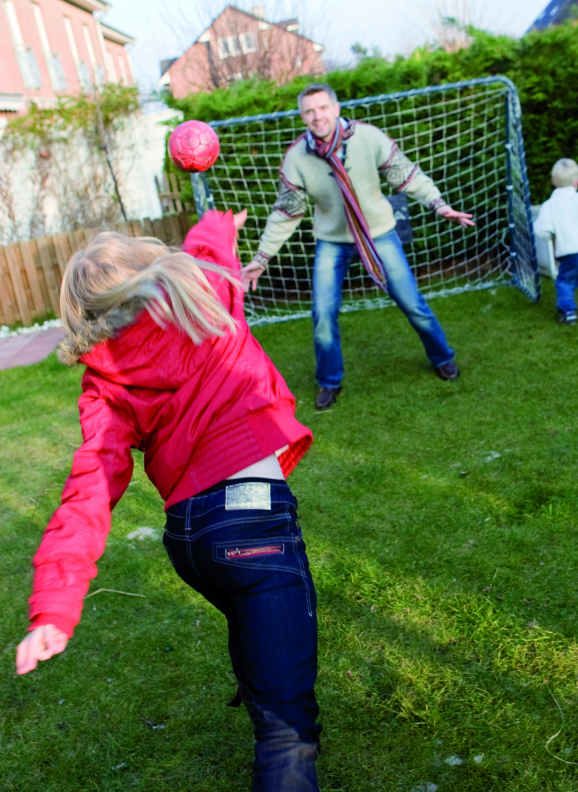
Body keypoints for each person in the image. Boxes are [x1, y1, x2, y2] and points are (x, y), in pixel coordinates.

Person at [15, 210, 321, 792]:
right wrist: (220, 219)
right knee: (287, 733)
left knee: (247, 608)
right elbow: (208, 247)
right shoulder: (205, 296)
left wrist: (54, 607)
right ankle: (274, 715)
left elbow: (89, 489)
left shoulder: (103, 381)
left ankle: (262, 682)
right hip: (252, 527)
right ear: (153, 268)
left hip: (192, 539)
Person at [242, 83, 475, 410]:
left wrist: (438, 204)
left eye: (323, 108)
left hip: (379, 233)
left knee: (412, 303)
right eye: (309, 111)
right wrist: (261, 258)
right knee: (322, 313)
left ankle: (442, 357)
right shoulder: (297, 157)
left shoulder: (367, 137)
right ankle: (329, 382)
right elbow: (286, 212)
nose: (317, 116)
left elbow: (406, 175)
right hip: (332, 242)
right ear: (302, 117)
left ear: (335, 109)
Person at [533, 158, 578, 325]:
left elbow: (541, 230)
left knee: (565, 281)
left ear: (553, 181)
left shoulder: (549, 206)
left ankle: (568, 313)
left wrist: (550, 236)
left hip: (569, 252)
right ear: (576, 181)